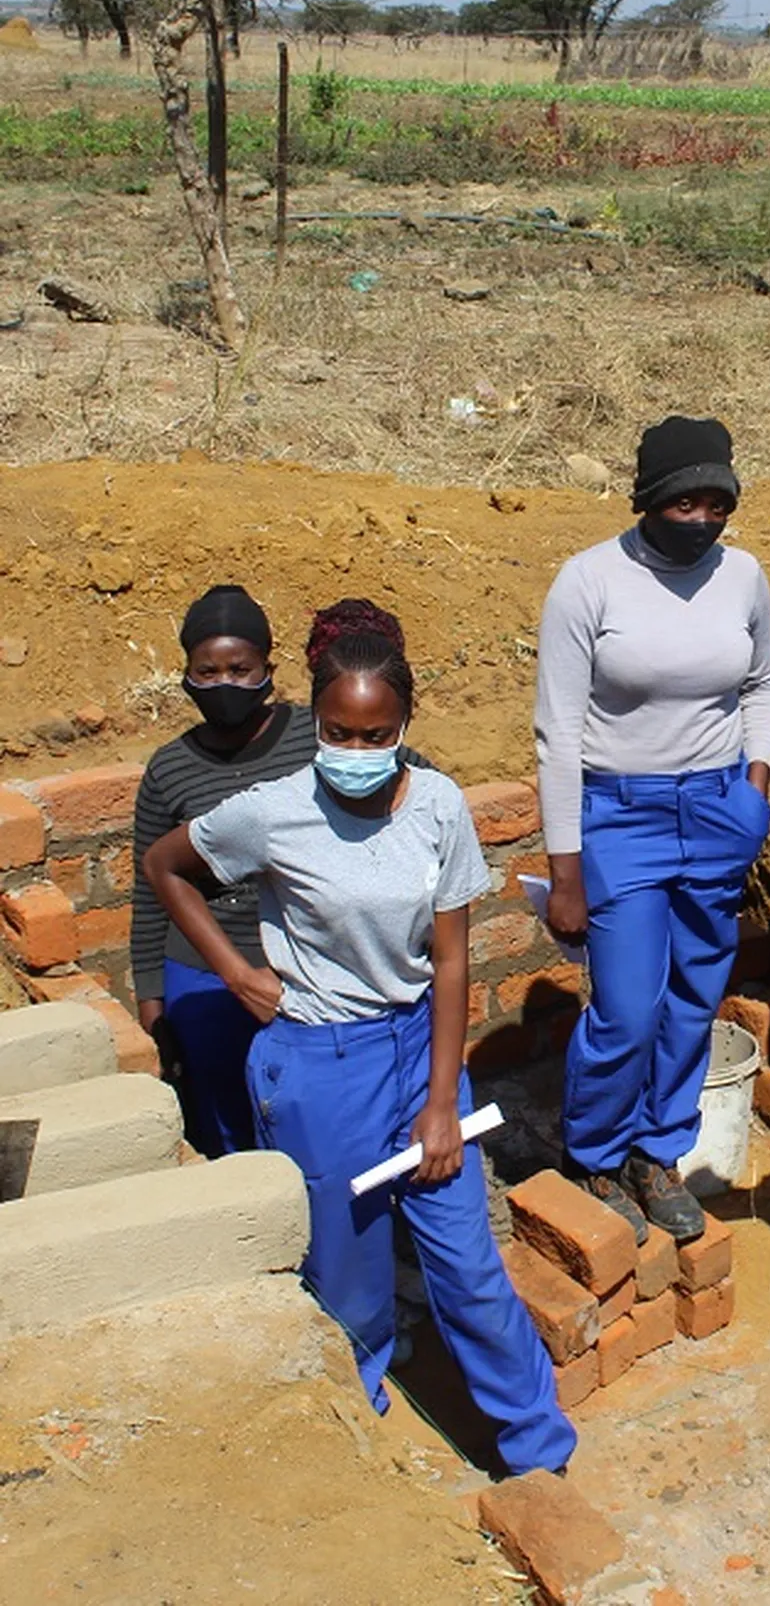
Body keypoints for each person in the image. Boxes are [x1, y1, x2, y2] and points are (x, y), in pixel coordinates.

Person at [144, 598, 575, 1477]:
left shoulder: (440, 806)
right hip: (317, 1060)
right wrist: (235, 972)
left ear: (405, 724)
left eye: (376, 735)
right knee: (346, 1276)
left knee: (468, 1268)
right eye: (338, 733)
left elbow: (452, 963)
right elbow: (163, 867)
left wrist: (442, 1105)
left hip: (418, 1043)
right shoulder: (273, 810)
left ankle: (539, 1447)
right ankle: (361, 1427)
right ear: (318, 723)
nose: (355, 752)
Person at [535, 415, 770, 1247]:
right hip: (620, 814)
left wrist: (755, 783)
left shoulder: (743, 576)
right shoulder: (589, 582)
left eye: (718, 503)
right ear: (647, 499)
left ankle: (657, 1149)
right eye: (684, 503)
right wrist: (565, 868)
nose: (702, 520)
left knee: (693, 1000)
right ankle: (597, 1151)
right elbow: (557, 732)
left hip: (717, 809)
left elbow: (762, 685)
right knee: (628, 1008)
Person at [131, 585, 311, 1155]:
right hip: (203, 975)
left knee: (299, 1109)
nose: (224, 684)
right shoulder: (169, 769)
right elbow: (149, 888)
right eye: (206, 672)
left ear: (268, 670)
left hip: (300, 963)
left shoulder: (315, 735)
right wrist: (153, 1003)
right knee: (224, 1114)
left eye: (240, 668)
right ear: (185, 676)